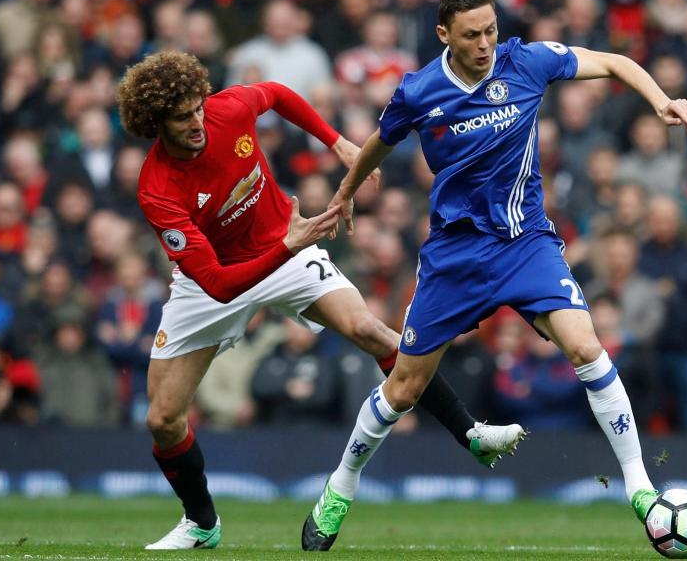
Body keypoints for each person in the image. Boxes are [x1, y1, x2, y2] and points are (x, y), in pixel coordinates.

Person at [303, 0, 687, 551]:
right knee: (404, 389)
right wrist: (344, 192)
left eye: (491, 30)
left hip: (526, 244)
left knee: (587, 347)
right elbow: (378, 144)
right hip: (455, 256)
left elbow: (613, 62)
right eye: (473, 35)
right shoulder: (418, 92)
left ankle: (639, 488)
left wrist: (660, 98)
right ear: (445, 35)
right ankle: (340, 486)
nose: (487, 43)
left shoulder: (527, 61)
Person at [116, 50, 524, 550]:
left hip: (284, 249)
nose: (198, 121)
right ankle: (202, 524)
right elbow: (219, 284)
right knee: (162, 419)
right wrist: (290, 244)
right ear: (157, 124)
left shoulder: (227, 110)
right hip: (217, 280)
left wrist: (338, 144)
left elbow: (278, 93)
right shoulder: (156, 188)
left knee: (371, 331)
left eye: (198, 107)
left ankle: (471, 435)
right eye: (182, 118)